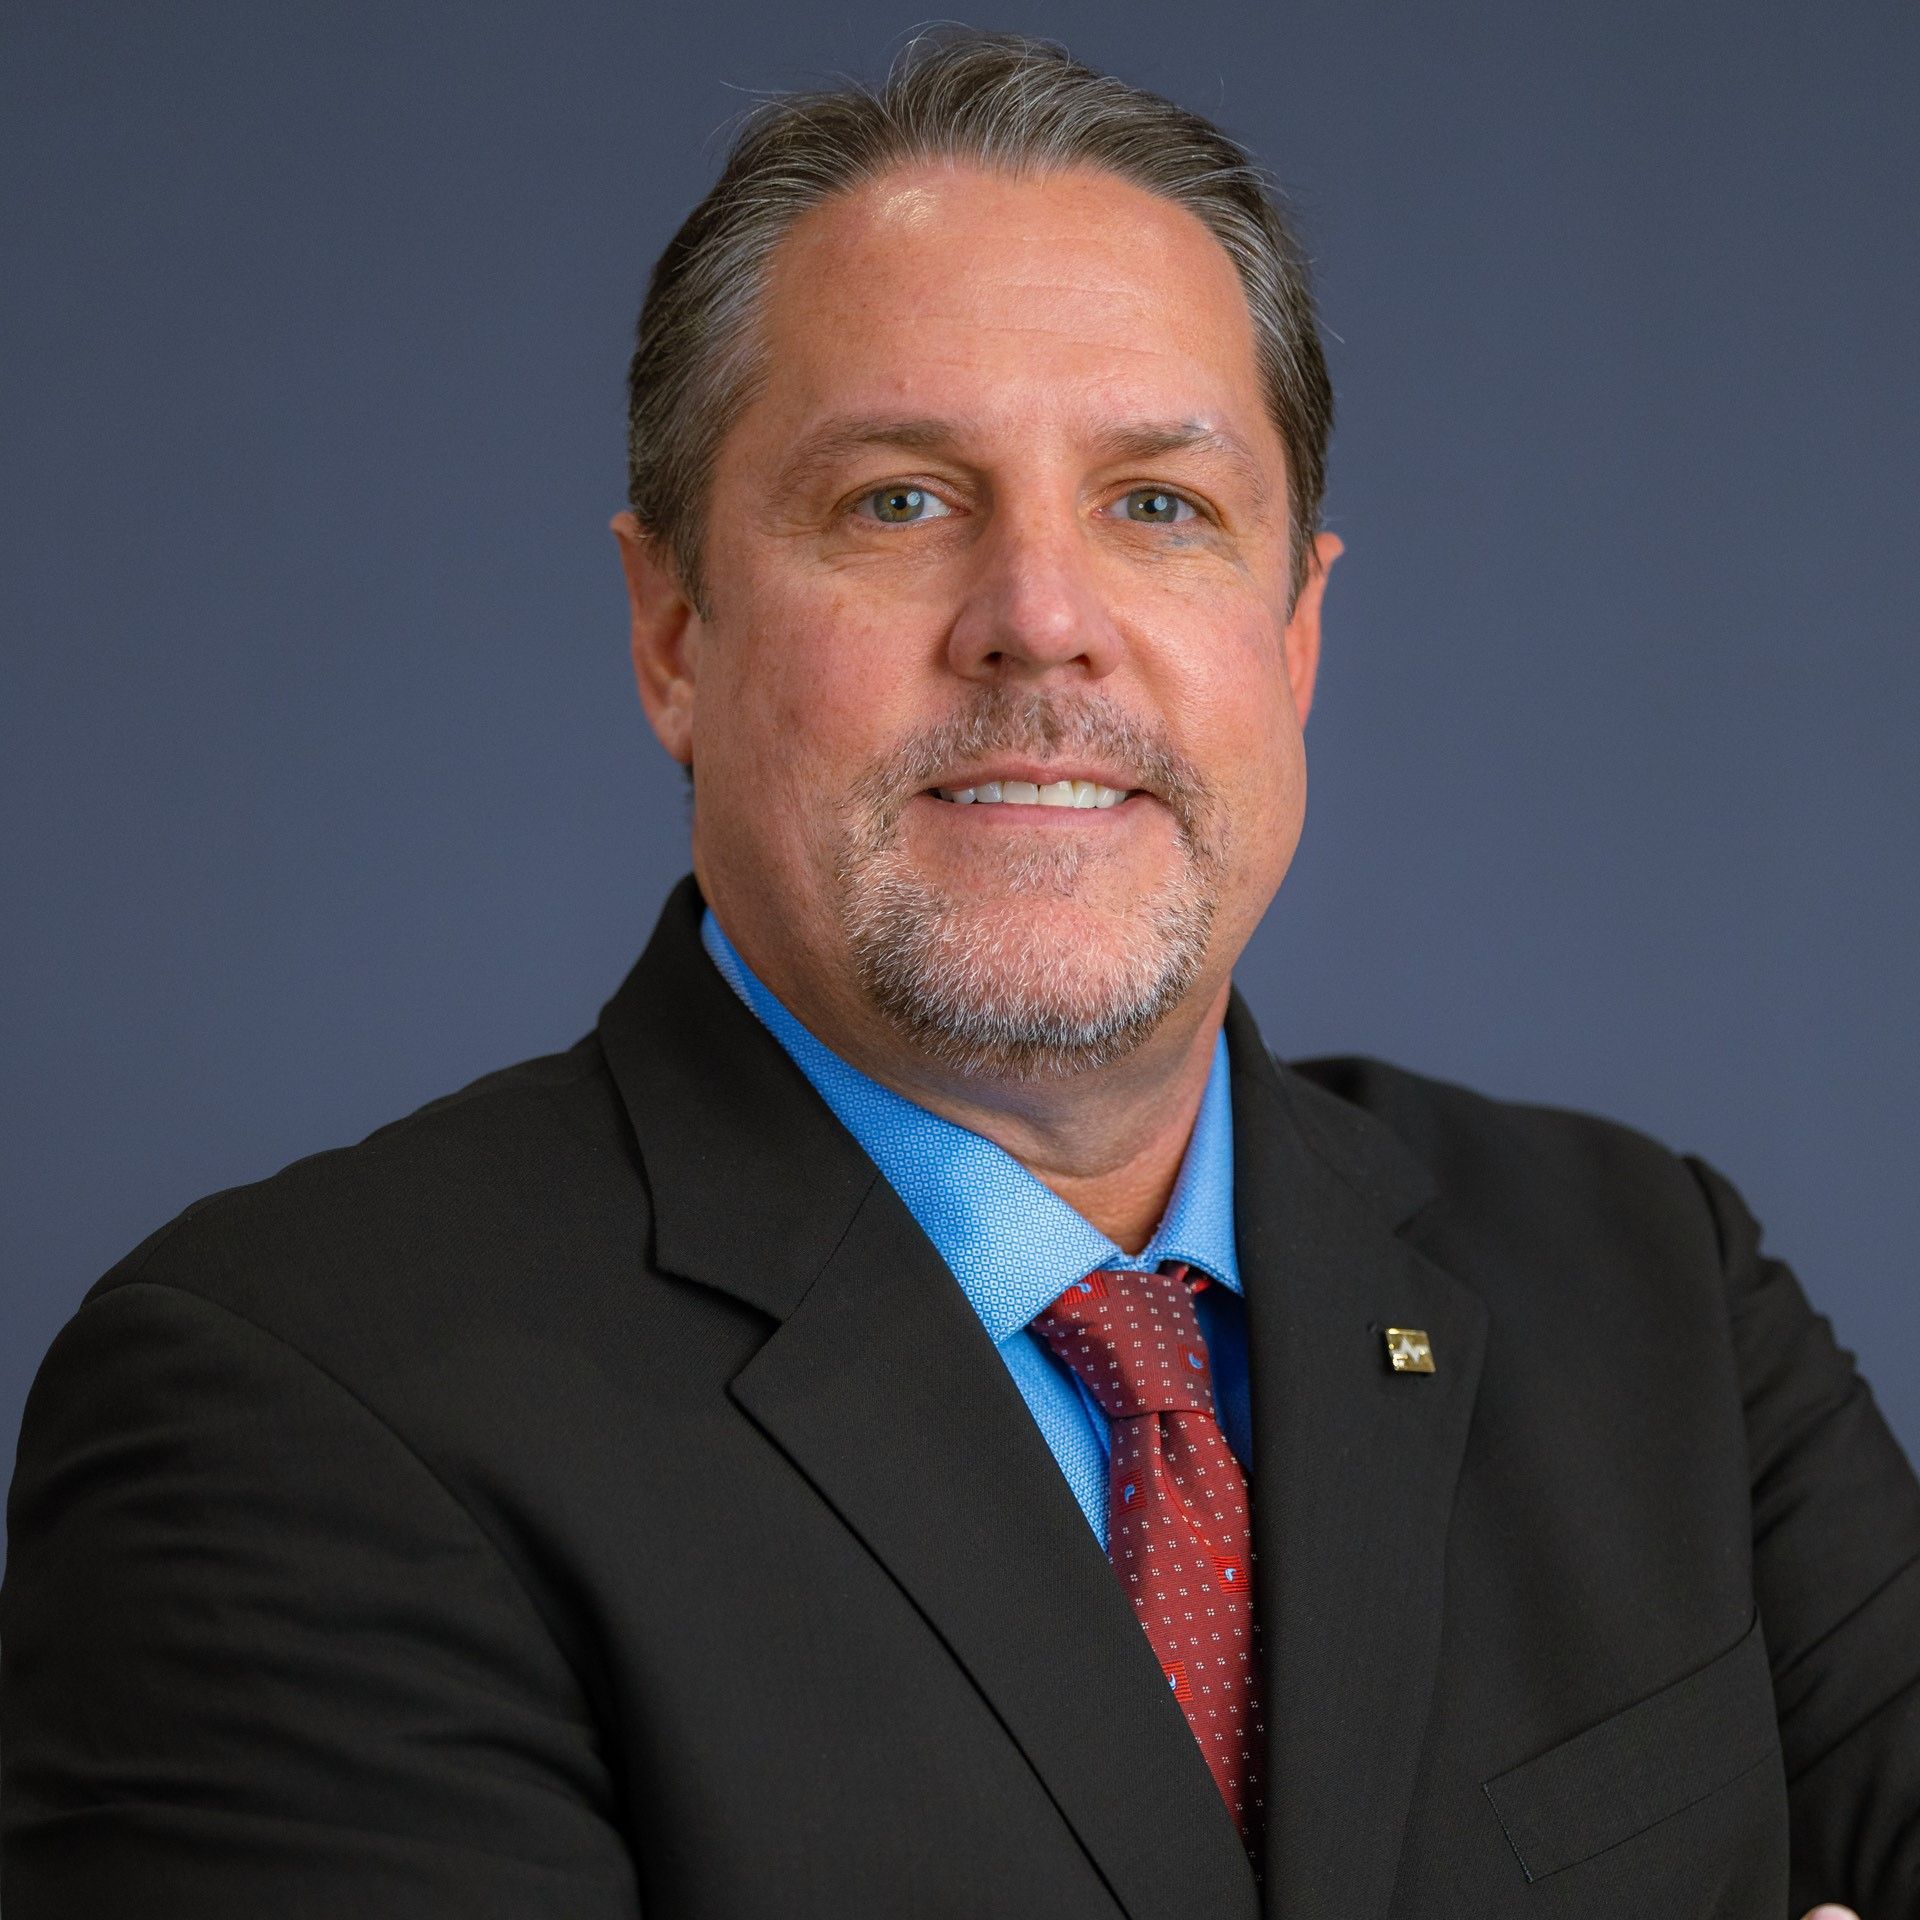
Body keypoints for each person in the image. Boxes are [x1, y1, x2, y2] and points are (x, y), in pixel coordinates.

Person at [2, 30, 1913, 1920]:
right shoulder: (299, 1406)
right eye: (900, 499)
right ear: (674, 634)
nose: (1044, 622)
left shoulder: (1659, 1292)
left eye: (1158, 505)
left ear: (1296, 636)